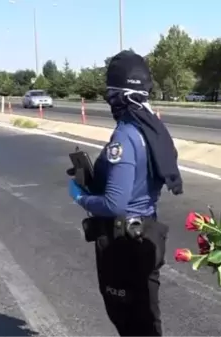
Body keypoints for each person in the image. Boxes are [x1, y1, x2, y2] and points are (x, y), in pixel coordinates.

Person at [67, 50, 183, 337]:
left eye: (109, 93)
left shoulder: (126, 135)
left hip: (124, 242)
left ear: (119, 94)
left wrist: (80, 197)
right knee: (147, 319)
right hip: (148, 232)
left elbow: (115, 202)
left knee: (130, 321)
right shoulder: (153, 129)